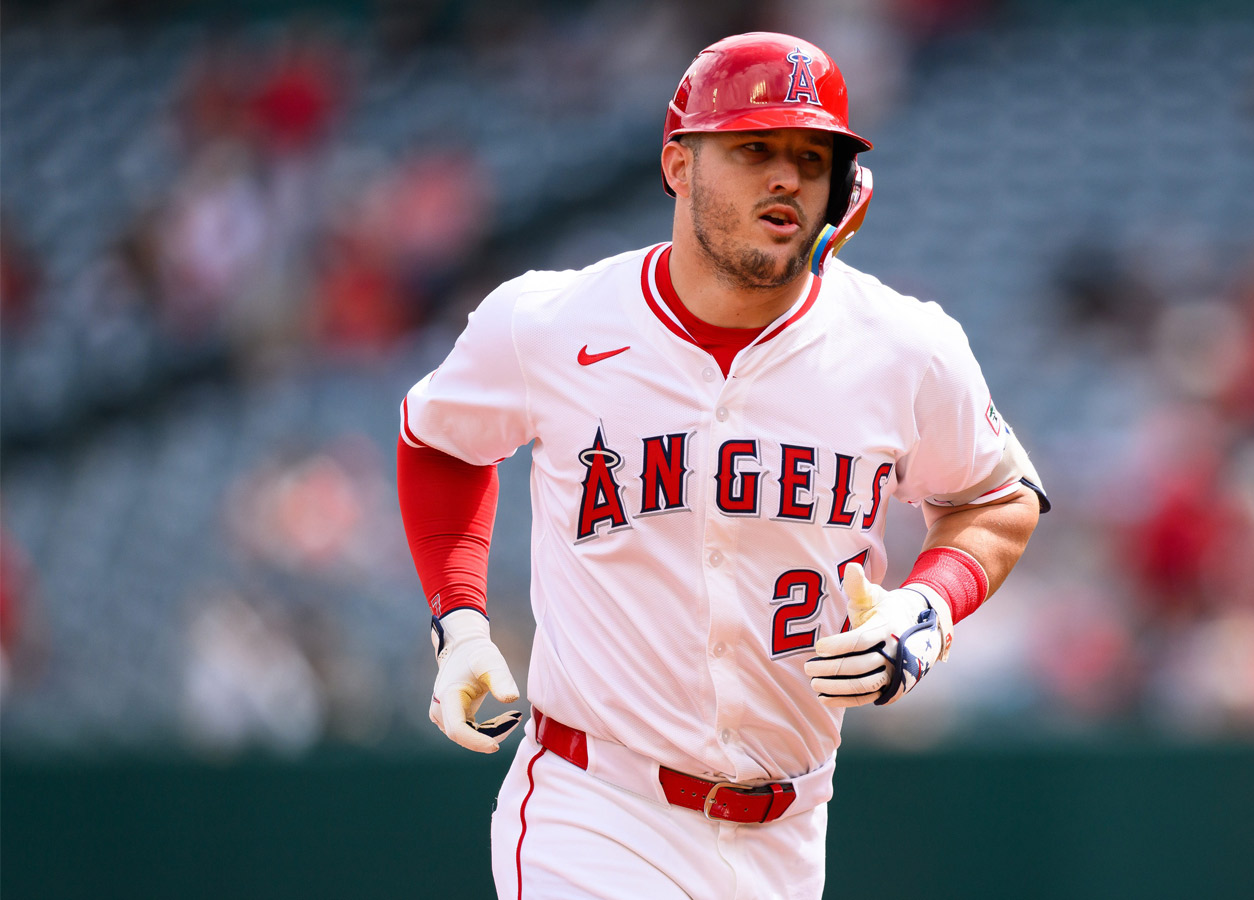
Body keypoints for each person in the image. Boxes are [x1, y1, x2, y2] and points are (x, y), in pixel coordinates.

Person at [396, 32, 1047, 900]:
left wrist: (926, 608)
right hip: (596, 807)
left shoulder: (903, 347)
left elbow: (998, 498)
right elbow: (440, 440)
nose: (787, 177)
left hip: (791, 828)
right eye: (754, 149)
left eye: (813, 157)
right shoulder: (548, 324)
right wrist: (462, 623)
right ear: (679, 165)